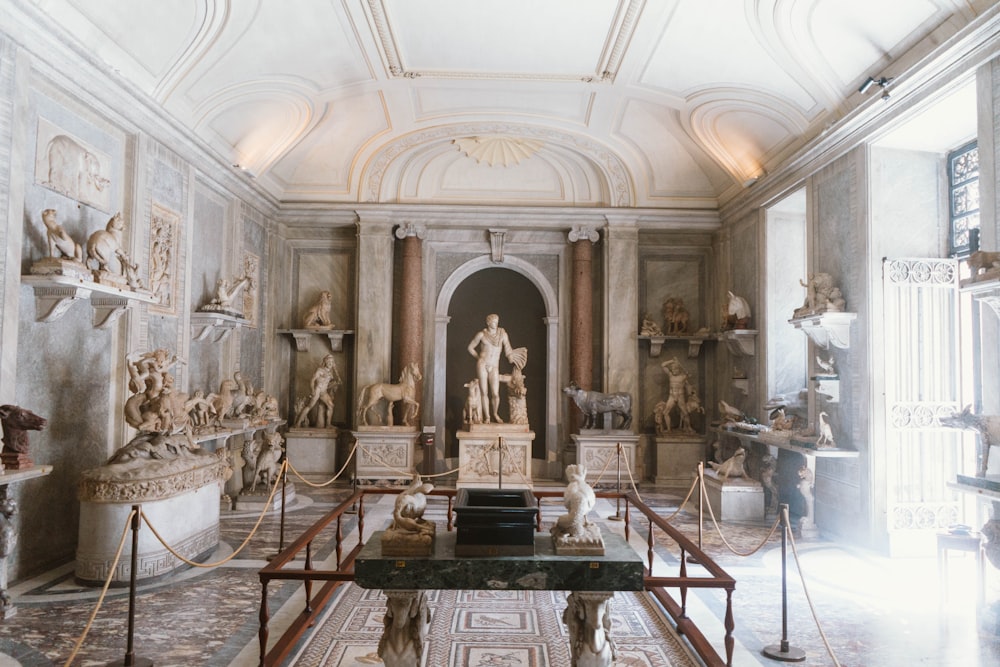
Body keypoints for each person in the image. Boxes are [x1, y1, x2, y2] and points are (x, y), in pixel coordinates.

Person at [467, 314, 521, 424]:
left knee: (495, 394)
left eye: (497, 321)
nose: (495, 323)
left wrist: (513, 357)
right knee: (484, 392)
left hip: (494, 365)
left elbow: (508, 350)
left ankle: (495, 414)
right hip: (482, 364)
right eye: (493, 321)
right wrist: (479, 358)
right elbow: (470, 348)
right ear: (488, 322)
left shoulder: (503, 334)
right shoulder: (481, 335)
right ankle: (487, 417)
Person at [294, 354, 341, 428]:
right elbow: (312, 380)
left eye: (331, 362)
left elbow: (327, 384)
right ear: (325, 362)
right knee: (310, 406)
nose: (330, 364)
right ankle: (298, 423)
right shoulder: (320, 370)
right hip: (318, 390)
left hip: (324, 392)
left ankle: (328, 424)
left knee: (331, 405)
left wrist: (335, 383)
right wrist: (312, 390)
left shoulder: (330, 372)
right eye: (329, 362)